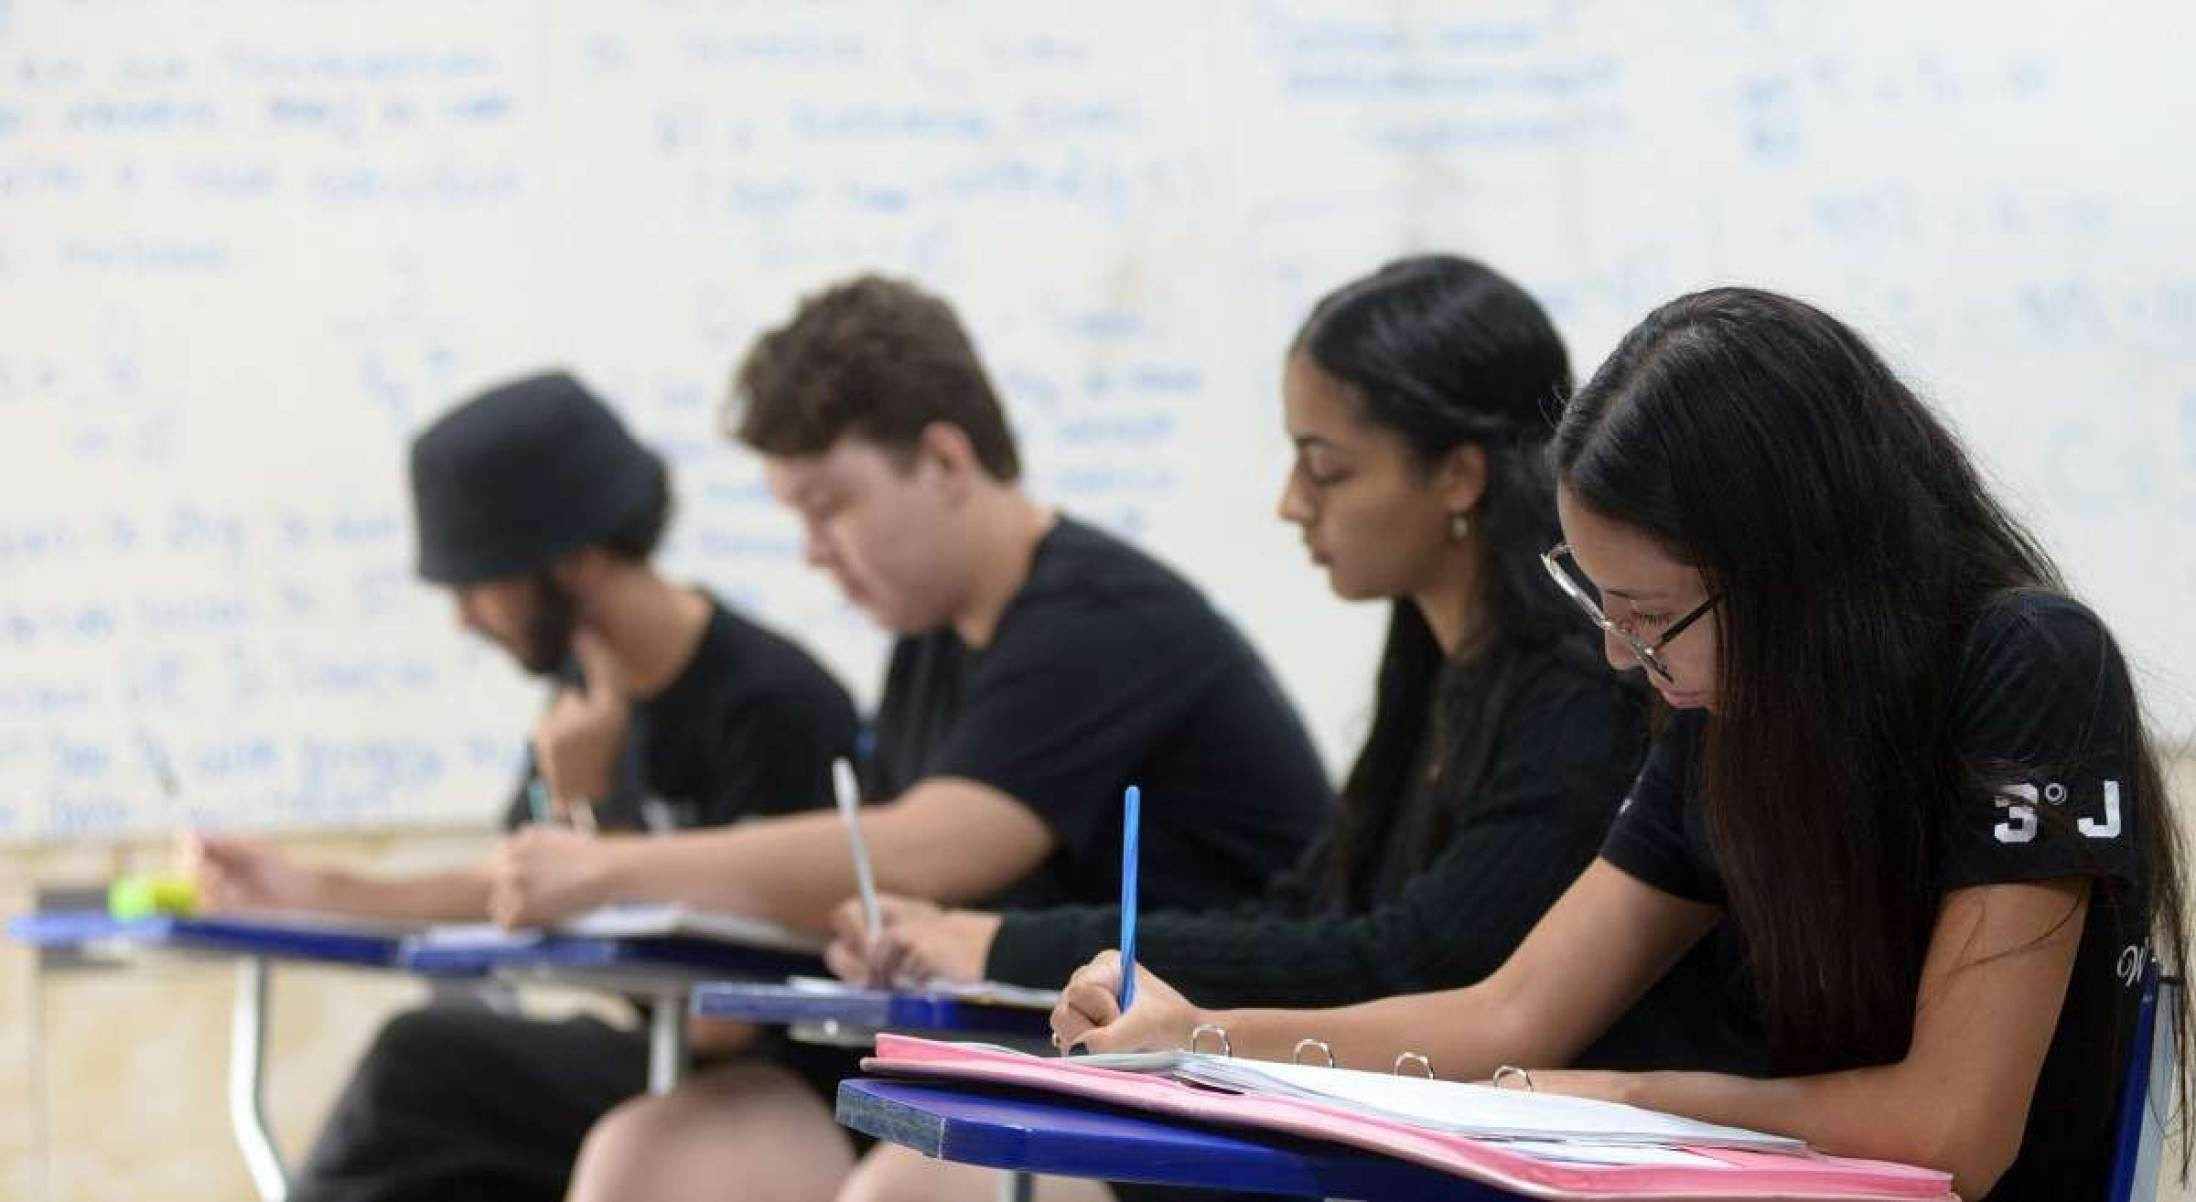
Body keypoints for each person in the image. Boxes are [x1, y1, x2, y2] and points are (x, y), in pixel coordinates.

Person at [1054, 287, 2191, 1202]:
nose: (1617, 652)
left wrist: (1633, 1099)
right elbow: (1509, 1014)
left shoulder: (2029, 662)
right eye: (1599, 602)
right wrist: (1196, 1035)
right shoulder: (1726, 708)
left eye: (1649, 614)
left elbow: (1953, 1133)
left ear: (1797, 578)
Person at [827, 256, 1759, 1202]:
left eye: (1327, 468)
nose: (1290, 503)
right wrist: (1126, 993)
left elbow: (1420, 965)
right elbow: (1320, 915)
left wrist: (1020, 955)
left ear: (1458, 475)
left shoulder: (1591, 695)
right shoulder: (1435, 668)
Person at [505, 275, 1333, 1202]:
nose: (813, 549)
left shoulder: (1101, 619)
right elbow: (892, 888)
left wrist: (606, 870)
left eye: (830, 506)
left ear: (943, 461)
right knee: (649, 1161)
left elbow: (928, 848)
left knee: (907, 1190)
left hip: (1210, 1097)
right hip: (1019, 1065)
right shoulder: (927, 647)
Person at [189, 370, 862, 1202]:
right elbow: (510, 884)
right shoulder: (582, 697)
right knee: (435, 1086)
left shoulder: (774, 705)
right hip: (664, 1060)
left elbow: (723, 1021)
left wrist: (587, 805)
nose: (464, 618)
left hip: (778, 1089)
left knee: (423, 1066)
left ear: (572, 558)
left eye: (478, 583)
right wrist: (309, 891)